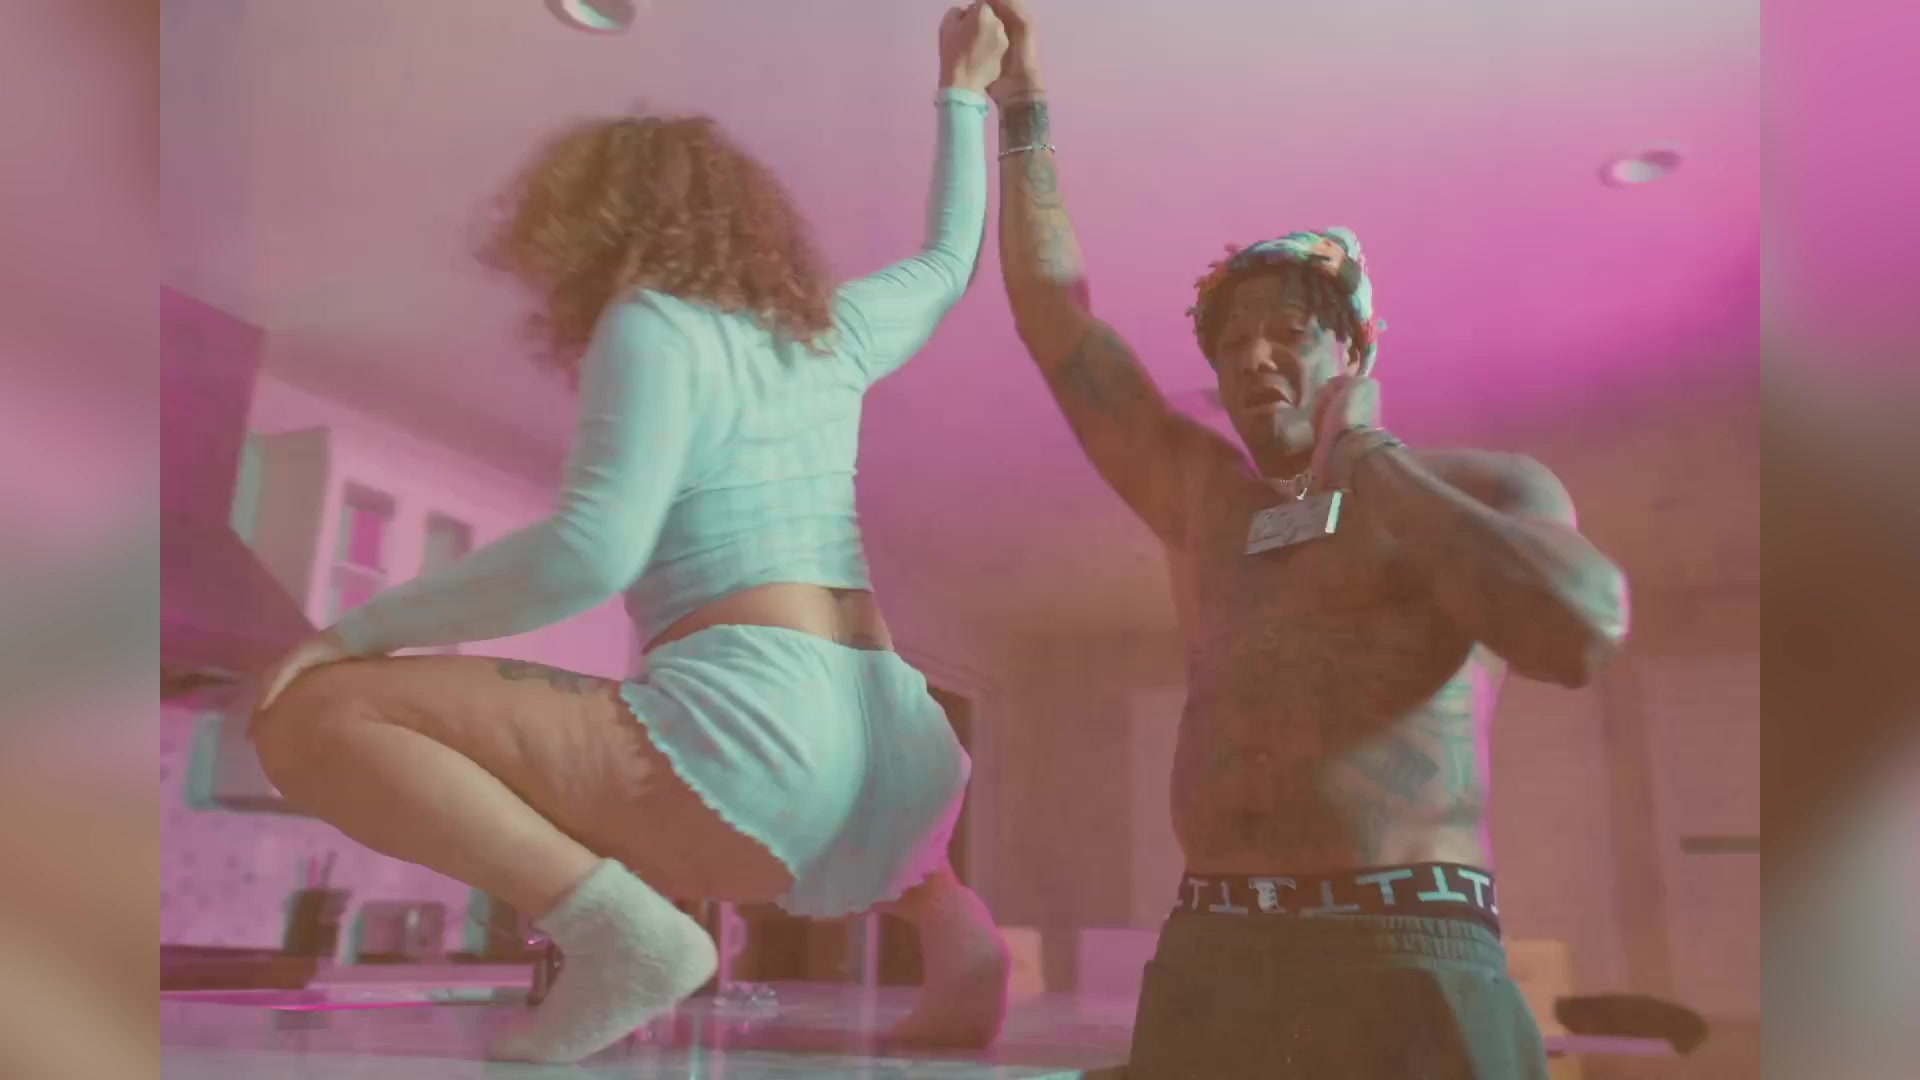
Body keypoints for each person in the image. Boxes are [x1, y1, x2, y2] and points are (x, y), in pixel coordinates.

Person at [247, 4, 1013, 1065]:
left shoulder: (656, 318)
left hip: (767, 743)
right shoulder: (828, 333)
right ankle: (959, 935)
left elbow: (589, 554)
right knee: (777, 786)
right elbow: (947, 260)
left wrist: (353, 631)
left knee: (318, 714)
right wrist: (963, 92)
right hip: (908, 767)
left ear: (601, 227)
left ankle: (617, 935)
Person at [980, 1, 1630, 1075]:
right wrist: (1022, 106)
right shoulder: (1207, 500)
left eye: (1287, 331)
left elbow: (1580, 629)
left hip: (1406, 946)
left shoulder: (1485, 486)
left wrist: (1365, 455)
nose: (1252, 358)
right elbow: (1058, 320)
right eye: (1231, 342)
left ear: (1357, 352)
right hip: (1214, 950)